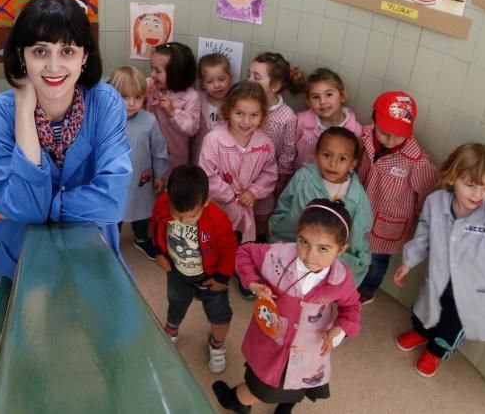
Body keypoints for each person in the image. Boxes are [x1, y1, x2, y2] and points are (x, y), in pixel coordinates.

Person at [0, 0, 132, 292]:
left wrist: (48, 205)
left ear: (85, 56)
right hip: (23, 254)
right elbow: (25, 211)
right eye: (39, 51)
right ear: (21, 56)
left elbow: (113, 200)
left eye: (67, 51)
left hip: (91, 247)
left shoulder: (106, 103)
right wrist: (24, 110)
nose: (53, 66)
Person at [393, 143, 485, 377]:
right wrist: (408, 261)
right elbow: (424, 234)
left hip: (474, 290)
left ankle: (435, 351)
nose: (477, 195)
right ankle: (421, 332)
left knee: (452, 323)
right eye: (470, 185)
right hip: (441, 278)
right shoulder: (435, 202)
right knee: (426, 308)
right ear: (452, 177)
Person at [213, 199, 362, 414]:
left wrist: (340, 330)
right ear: (297, 234)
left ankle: (279, 406)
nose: (310, 255)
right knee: (260, 384)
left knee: (298, 384)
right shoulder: (277, 256)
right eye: (303, 242)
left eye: (323, 248)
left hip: (309, 350)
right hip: (271, 342)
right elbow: (244, 253)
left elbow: (352, 307)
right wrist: (252, 283)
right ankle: (238, 400)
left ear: (341, 249)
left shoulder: (340, 279)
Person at [151, 165, 236, 374]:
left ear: (205, 203)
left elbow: (229, 248)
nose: (180, 220)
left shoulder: (218, 219)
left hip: (210, 278)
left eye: (189, 217)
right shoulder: (162, 205)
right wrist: (158, 252)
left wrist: (222, 278)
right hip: (178, 273)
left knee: (220, 315)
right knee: (176, 303)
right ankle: (172, 327)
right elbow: (155, 227)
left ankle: (217, 343)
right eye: (175, 214)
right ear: (168, 197)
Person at [356, 91, 438, 305]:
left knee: (377, 260)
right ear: (373, 121)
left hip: (387, 223)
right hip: (358, 210)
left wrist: (422, 223)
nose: (391, 140)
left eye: (398, 134)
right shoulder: (364, 138)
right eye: (384, 133)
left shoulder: (417, 162)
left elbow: (428, 199)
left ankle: (367, 290)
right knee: (353, 247)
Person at [269, 127, 373, 286]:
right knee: (287, 282)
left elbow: (360, 231)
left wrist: (360, 259)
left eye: (342, 159)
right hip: (296, 243)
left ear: (353, 164)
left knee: (316, 290)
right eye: (326, 155)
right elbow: (285, 203)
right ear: (316, 156)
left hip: (327, 257)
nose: (333, 163)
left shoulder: (356, 196)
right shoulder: (303, 177)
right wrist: (275, 223)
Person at [199, 81, 277, 246]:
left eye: (254, 115)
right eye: (239, 113)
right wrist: (229, 195)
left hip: (245, 206)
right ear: (228, 110)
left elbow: (269, 174)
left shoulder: (265, 144)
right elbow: (206, 174)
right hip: (218, 204)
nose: (246, 121)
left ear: (263, 115)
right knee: (213, 239)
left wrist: (253, 192)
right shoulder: (213, 140)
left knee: (238, 241)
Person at [109, 66, 168, 260]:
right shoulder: (105, 120)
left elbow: (159, 150)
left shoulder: (149, 120)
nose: (131, 103)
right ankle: (110, 241)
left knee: (142, 211)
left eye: (137, 97)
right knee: (113, 212)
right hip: (113, 180)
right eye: (124, 97)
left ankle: (141, 238)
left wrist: (160, 174)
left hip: (141, 179)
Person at [248, 52, 302, 206]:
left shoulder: (287, 117)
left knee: (261, 215)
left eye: (256, 77)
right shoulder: (244, 103)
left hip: (267, 178)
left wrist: (281, 180)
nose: (249, 80)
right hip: (241, 172)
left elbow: (288, 151)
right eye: (248, 75)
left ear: (275, 85)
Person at [293, 68, 361, 172]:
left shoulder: (355, 130)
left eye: (329, 94)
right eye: (316, 97)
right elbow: (289, 150)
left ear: (342, 96)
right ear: (308, 102)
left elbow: (354, 162)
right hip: (300, 179)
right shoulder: (301, 121)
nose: (323, 101)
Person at [146, 41, 200, 171]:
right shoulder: (150, 85)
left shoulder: (191, 97)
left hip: (174, 155)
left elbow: (192, 128)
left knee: (171, 183)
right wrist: (139, 94)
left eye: (157, 71)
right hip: (150, 149)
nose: (152, 74)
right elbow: (131, 88)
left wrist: (173, 112)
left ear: (176, 74)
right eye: (152, 68)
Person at [192, 52, 232, 162]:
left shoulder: (235, 102)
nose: (217, 85)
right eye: (210, 81)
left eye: (221, 79)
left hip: (225, 158)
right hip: (201, 155)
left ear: (230, 78)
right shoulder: (197, 100)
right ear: (202, 84)